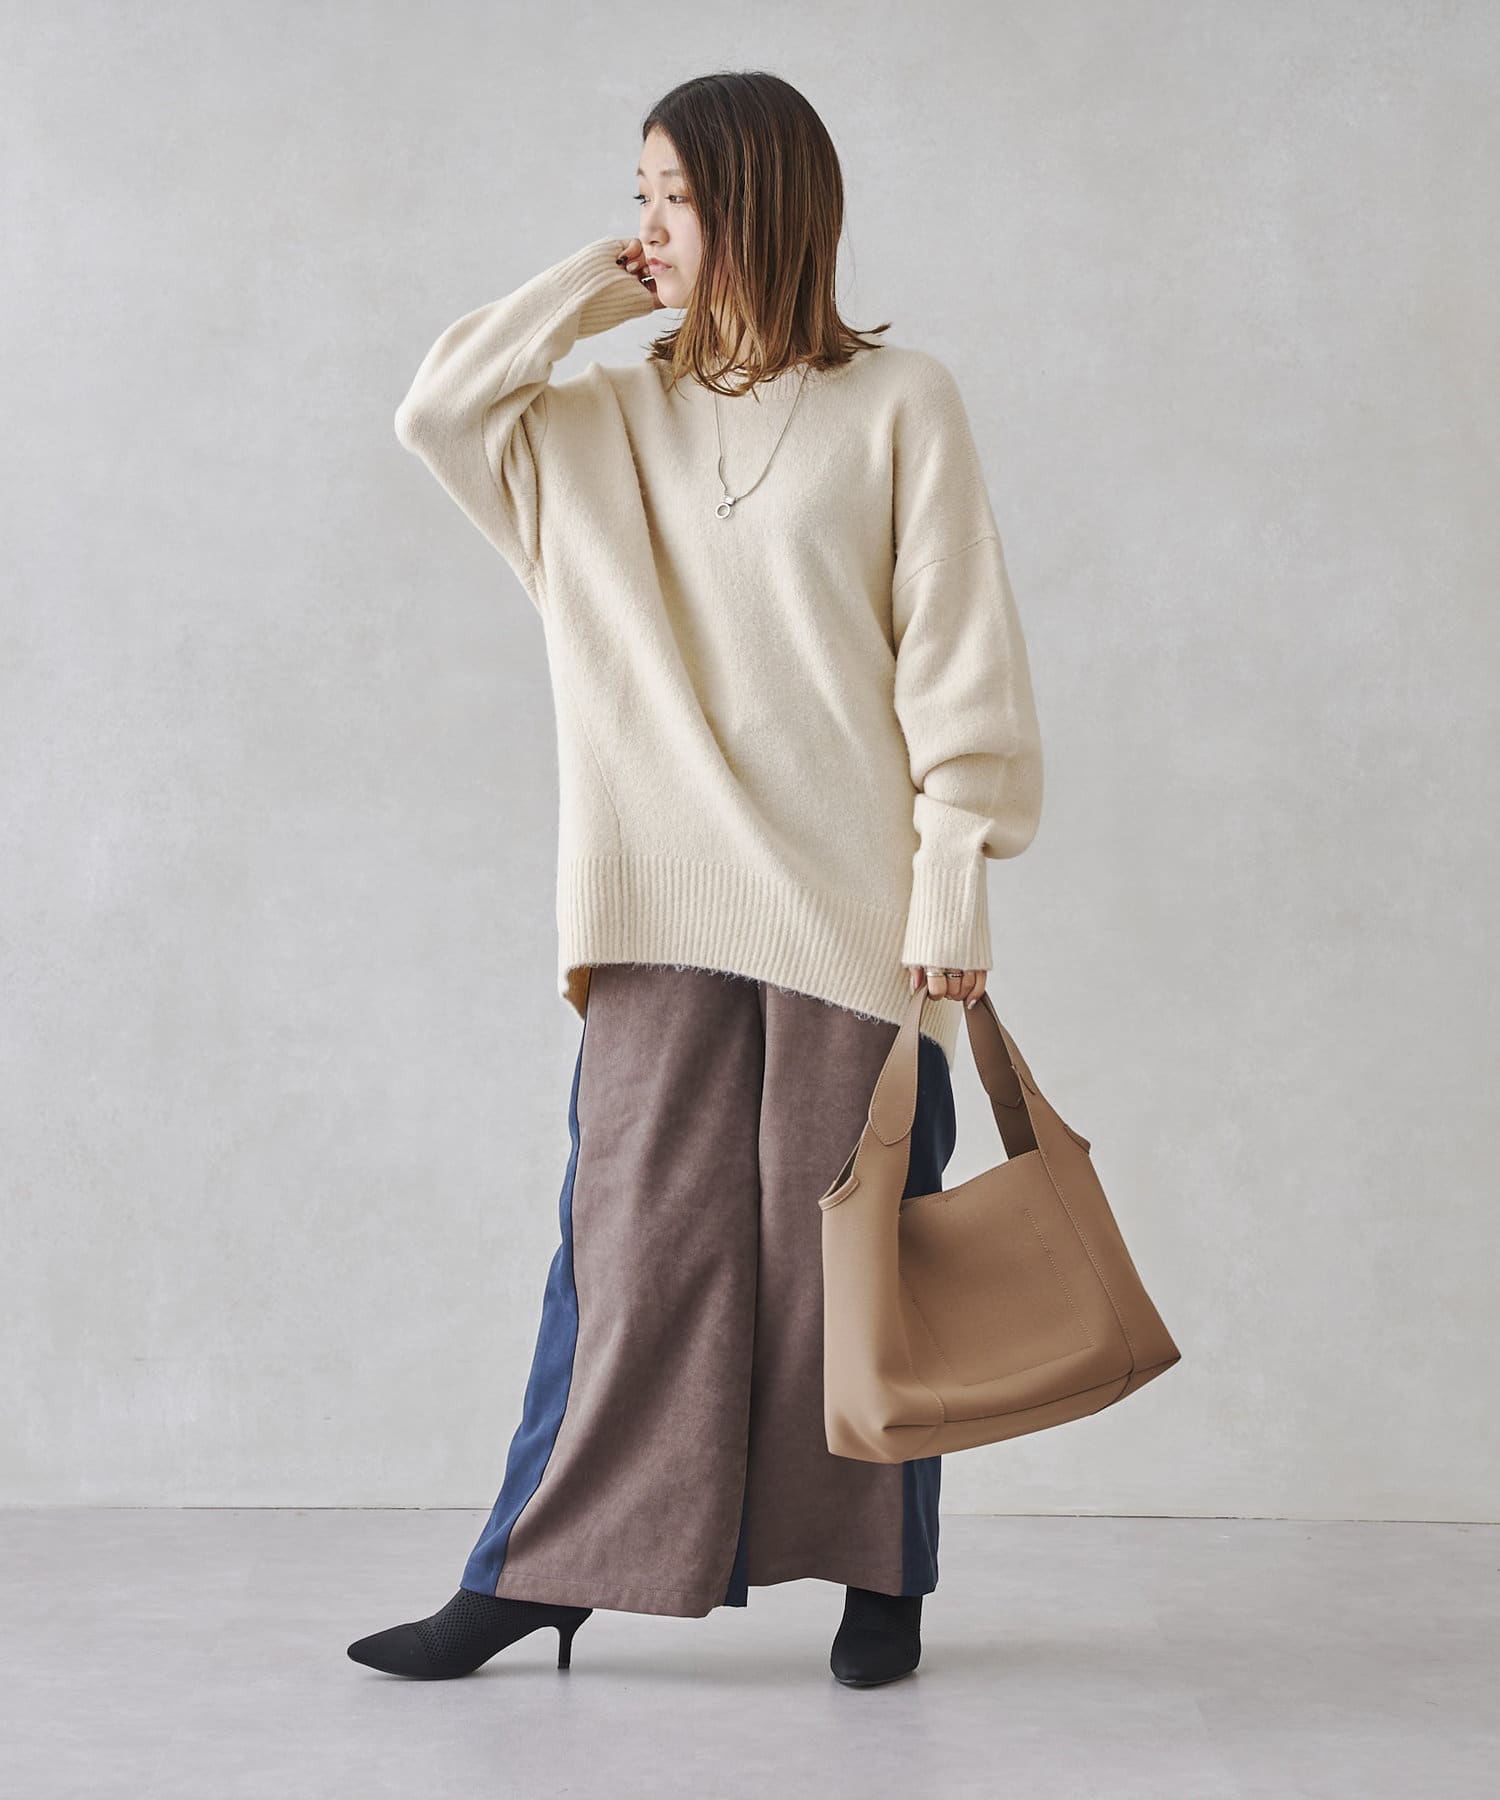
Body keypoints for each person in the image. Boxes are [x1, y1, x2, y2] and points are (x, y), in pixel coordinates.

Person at [347, 68, 1043, 1689]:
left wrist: (955, 875)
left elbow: (958, 658)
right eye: (640, 193)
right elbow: (436, 411)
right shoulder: (594, 429)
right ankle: (542, 1572)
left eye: (677, 197)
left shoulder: (902, 403)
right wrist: (599, 289)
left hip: (855, 916)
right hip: (654, 907)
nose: (649, 224)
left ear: (765, 205)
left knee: (854, 1265)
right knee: (630, 1250)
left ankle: (882, 1578)